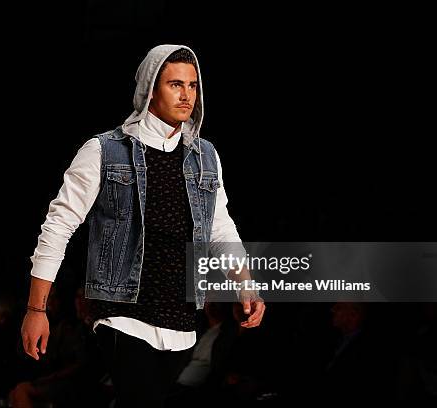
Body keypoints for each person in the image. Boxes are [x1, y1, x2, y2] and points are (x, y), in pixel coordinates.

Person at [22, 44, 266, 407]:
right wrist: (36, 309)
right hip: (123, 313)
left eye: (193, 85)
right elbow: (59, 225)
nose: (187, 96)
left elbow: (220, 228)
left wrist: (246, 286)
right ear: (151, 88)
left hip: (182, 322)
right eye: (175, 85)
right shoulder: (104, 150)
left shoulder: (206, 157)